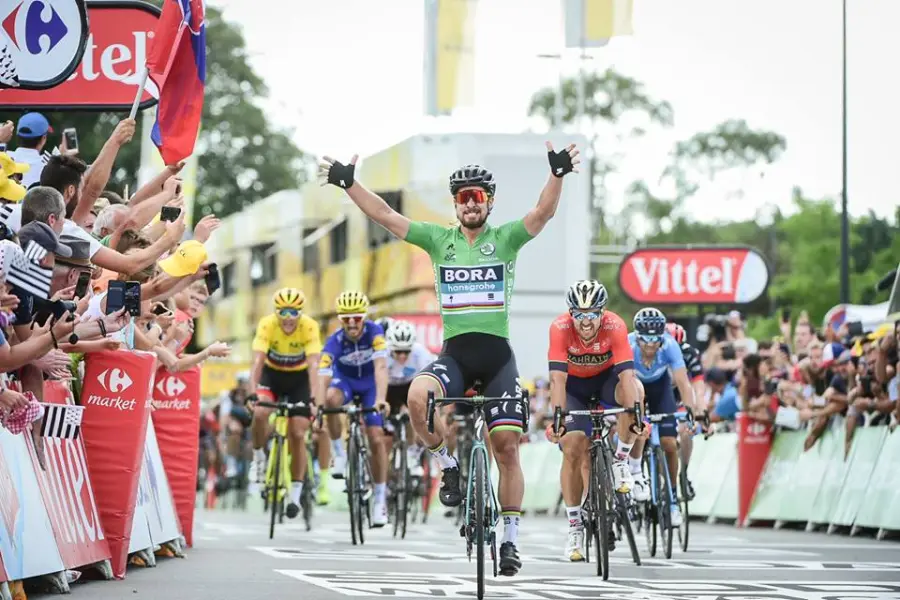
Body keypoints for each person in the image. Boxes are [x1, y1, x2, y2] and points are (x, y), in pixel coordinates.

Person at [318, 141, 579, 576]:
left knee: (507, 448)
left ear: (489, 202)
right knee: (418, 395)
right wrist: (350, 184)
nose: (471, 204)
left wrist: (556, 175)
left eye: (478, 197)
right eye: (463, 197)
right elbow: (385, 215)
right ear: (455, 204)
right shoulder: (440, 241)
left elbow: (542, 214)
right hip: (455, 356)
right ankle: (447, 465)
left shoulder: (505, 239)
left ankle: (510, 541)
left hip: (497, 360)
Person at [545, 280, 641, 562]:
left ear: (602, 312)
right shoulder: (559, 328)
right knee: (573, 447)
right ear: (570, 313)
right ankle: (575, 526)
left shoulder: (616, 326)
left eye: (591, 315)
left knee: (636, 394)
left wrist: (635, 413)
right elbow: (557, 379)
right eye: (579, 315)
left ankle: (621, 459)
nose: (585, 322)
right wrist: (559, 418)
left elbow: (627, 376)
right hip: (573, 387)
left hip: (606, 381)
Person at [247, 287, 322, 520]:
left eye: (294, 312)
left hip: (299, 380)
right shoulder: (267, 324)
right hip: (272, 376)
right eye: (283, 312)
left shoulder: (309, 326)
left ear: (301, 312)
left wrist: (315, 401)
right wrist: (252, 393)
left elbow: (313, 366)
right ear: (276, 312)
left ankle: (296, 495)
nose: (288, 318)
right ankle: (259, 458)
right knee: (260, 413)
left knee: (298, 432)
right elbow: (258, 362)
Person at [318, 291, 390, 526]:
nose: (351, 323)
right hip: (346, 383)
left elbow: (380, 366)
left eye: (356, 318)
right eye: (346, 318)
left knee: (377, 438)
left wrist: (380, 398)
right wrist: (318, 404)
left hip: (370, 385)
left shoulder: (375, 333)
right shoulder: (335, 340)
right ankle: (339, 453)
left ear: (365, 318)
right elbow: (324, 374)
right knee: (330, 400)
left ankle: (380, 500)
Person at [627, 308, 695, 526]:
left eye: (655, 339)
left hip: (660, 388)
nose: (649, 345)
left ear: (661, 337)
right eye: (644, 339)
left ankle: (673, 498)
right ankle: (633, 476)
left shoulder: (670, 345)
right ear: (637, 336)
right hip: (634, 387)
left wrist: (691, 411)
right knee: (634, 431)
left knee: (668, 443)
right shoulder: (627, 346)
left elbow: (683, 382)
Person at [385, 320, 435, 477]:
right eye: (397, 352)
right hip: (389, 388)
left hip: (411, 385)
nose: (401, 356)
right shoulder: (382, 355)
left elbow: (430, 383)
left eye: (406, 352)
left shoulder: (420, 354)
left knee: (414, 413)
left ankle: (413, 454)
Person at [666, 322, 706, 500]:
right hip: (658, 393)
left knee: (685, 430)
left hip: (681, 394)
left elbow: (698, 386)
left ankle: (683, 473)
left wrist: (701, 411)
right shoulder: (651, 351)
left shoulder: (691, 354)